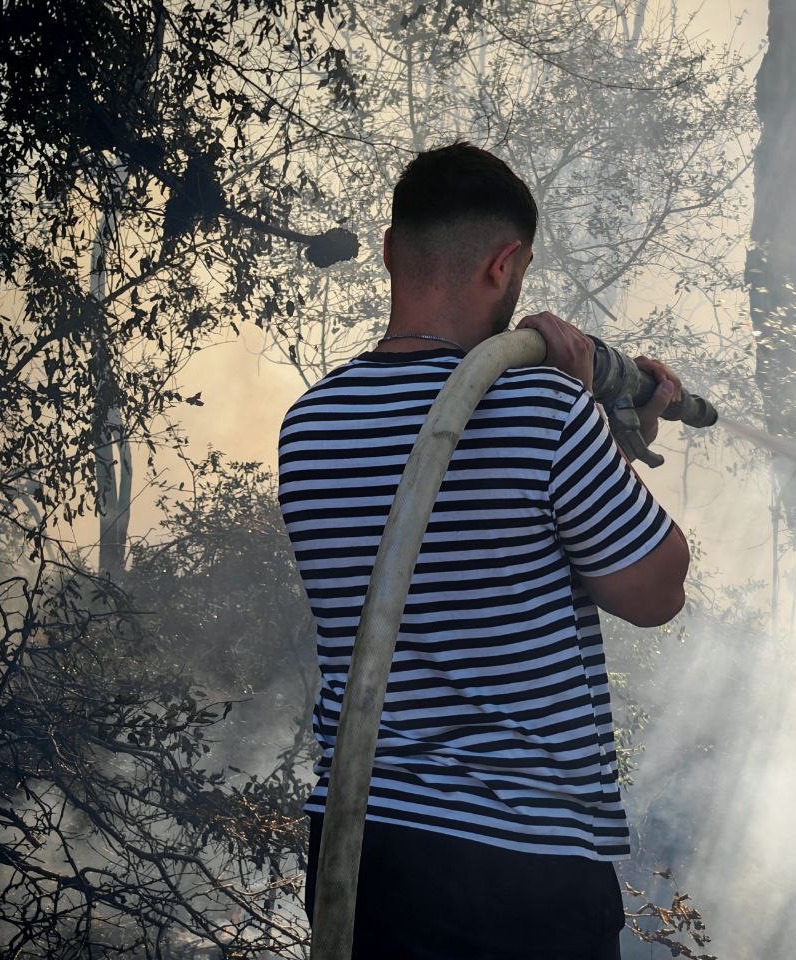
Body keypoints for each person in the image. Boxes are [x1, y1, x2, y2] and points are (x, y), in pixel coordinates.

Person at [277, 141, 690, 960]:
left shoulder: (309, 425)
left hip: (362, 854)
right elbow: (657, 590)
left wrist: (605, 423)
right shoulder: (538, 406)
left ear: (392, 250)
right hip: (518, 864)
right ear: (506, 264)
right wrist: (583, 410)